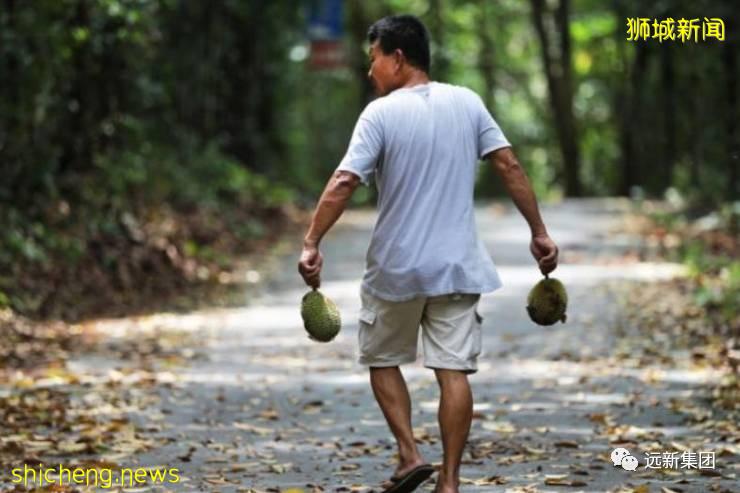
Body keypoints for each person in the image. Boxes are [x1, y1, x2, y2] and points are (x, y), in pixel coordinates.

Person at [298, 14, 558, 493]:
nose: (369, 70)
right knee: (453, 371)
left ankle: (409, 453)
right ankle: (451, 482)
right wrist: (538, 232)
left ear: (397, 58)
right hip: (458, 267)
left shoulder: (380, 114)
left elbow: (344, 181)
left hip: (396, 268)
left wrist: (313, 240)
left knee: (380, 357)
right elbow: (509, 162)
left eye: (373, 59)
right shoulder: (468, 102)